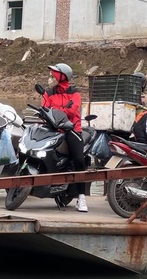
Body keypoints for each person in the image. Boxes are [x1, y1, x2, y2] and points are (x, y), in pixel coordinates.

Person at [41, 63, 89, 212]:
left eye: (54, 75)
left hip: (71, 129)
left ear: (63, 77)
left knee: (79, 161)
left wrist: (55, 110)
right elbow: (44, 109)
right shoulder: (48, 92)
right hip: (52, 128)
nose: (51, 77)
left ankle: (81, 197)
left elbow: (72, 110)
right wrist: (59, 110)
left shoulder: (74, 92)